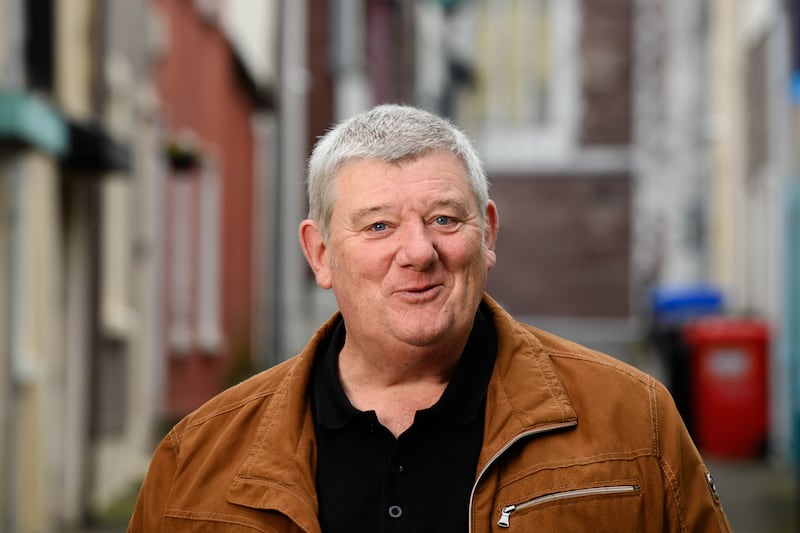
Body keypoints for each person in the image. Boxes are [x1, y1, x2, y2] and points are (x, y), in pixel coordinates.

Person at [128, 104, 731, 532]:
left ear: (487, 234)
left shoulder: (633, 423)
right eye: (379, 226)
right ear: (320, 253)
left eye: (444, 219)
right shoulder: (195, 461)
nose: (418, 252)